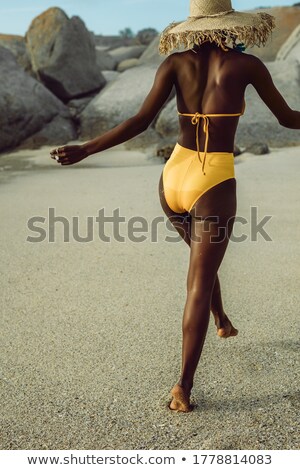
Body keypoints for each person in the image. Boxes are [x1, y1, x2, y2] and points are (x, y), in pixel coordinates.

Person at [50, 0, 300, 412]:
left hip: (173, 177)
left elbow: (139, 121)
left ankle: (221, 321)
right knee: (199, 280)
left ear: (194, 26)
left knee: (201, 264)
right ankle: (182, 387)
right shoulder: (247, 66)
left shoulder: (174, 64)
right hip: (213, 179)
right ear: (230, 23)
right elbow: (289, 118)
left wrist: (86, 148)